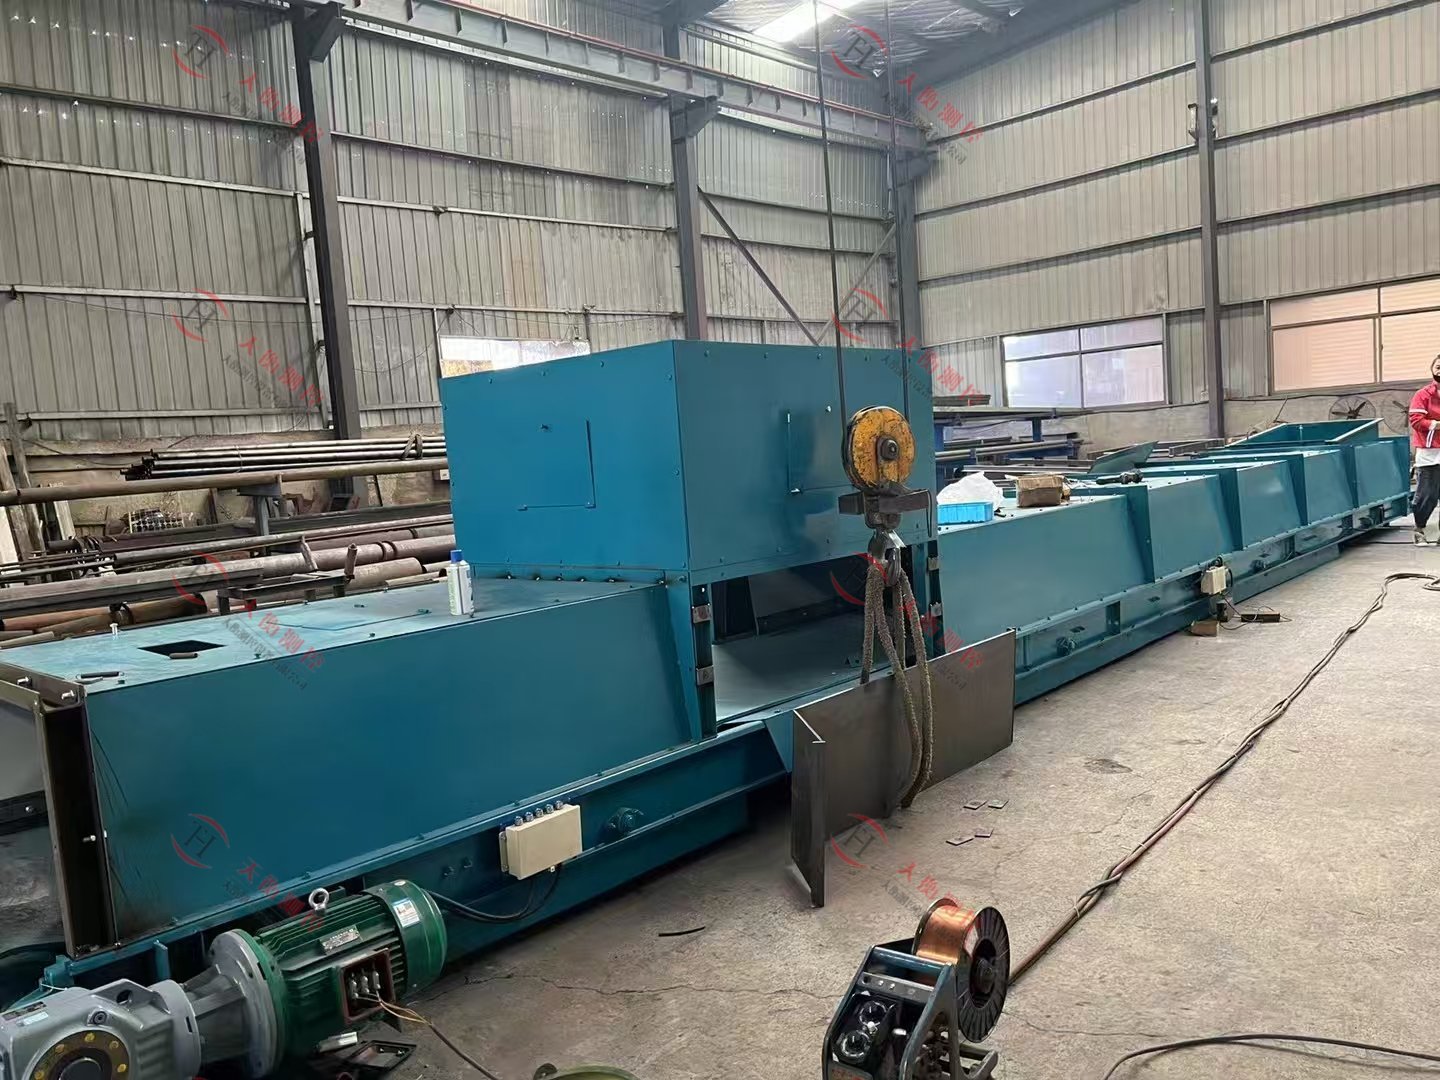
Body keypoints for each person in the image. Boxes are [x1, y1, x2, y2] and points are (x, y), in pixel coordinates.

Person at [1408, 354, 1440, 544]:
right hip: (1429, 454)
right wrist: (1437, 425)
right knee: (1427, 496)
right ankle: (1419, 529)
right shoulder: (1423, 394)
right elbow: (1416, 421)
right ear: (1432, 369)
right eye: (1438, 366)